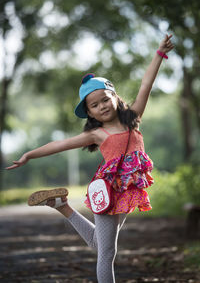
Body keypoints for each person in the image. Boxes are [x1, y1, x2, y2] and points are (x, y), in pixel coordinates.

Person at [6, 34, 174, 283]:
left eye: (105, 99)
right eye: (94, 105)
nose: (102, 106)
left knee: (103, 247)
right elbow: (60, 144)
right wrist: (29, 155)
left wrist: (159, 53)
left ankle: (62, 206)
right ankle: (62, 206)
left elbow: (145, 85)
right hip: (107, 189)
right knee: (106, 253)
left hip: (128, 187)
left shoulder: (133, 118)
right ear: (90, 112)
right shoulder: (96, 134)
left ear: (115, 97)